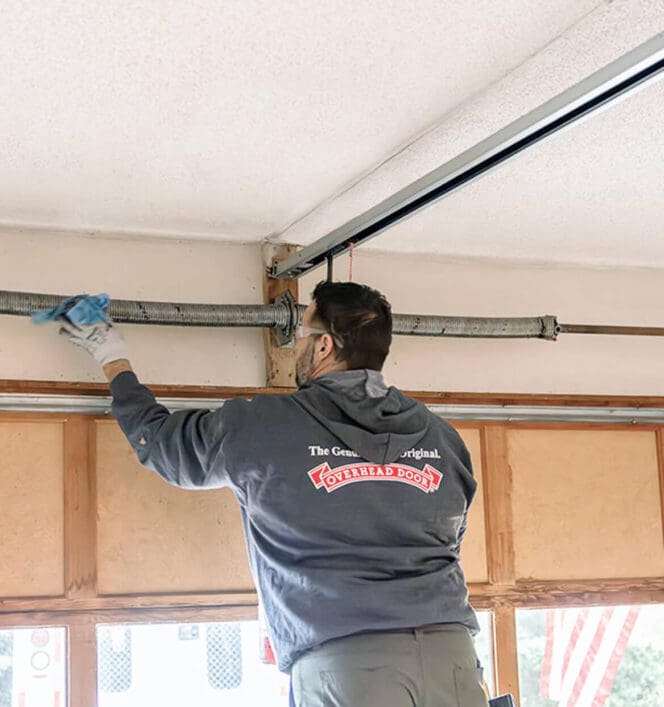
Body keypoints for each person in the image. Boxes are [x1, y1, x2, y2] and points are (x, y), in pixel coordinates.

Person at [56, 280, 487, 707]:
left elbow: (163, 445)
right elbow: (451, 538)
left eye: (301, 333)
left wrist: (110, 355)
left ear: (324, 346)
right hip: (453, 660)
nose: (296, 344)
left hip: (349, 666)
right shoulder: (443, 439)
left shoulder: (264, 425)